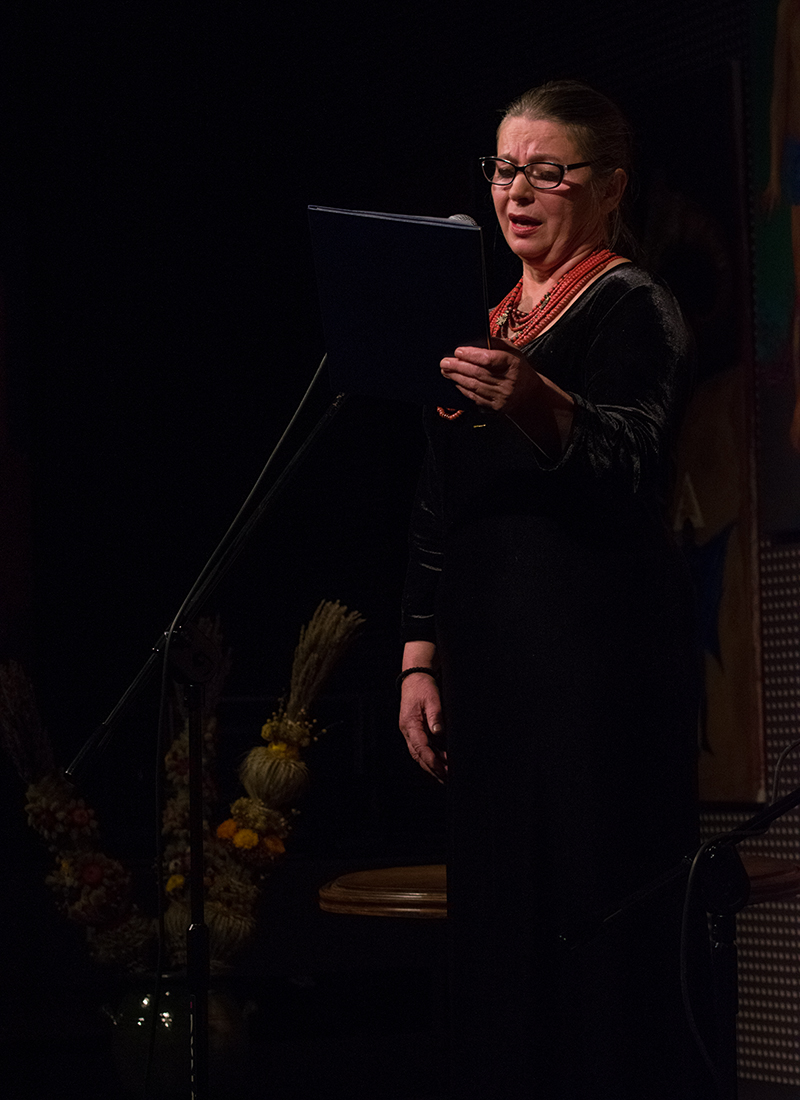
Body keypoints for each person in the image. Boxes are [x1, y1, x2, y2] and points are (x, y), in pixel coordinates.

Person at [398, 81, 711, 1100]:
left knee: (595, 931)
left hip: (599, 676)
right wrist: (417, 655)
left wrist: (539, 402)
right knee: (501, 935)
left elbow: (635, 465)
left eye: (546, 171)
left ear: (609, 186)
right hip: (490, 675)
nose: (516, 191)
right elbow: (438, 500)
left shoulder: (633, 305)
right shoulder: (481, 319)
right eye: (503, 168)